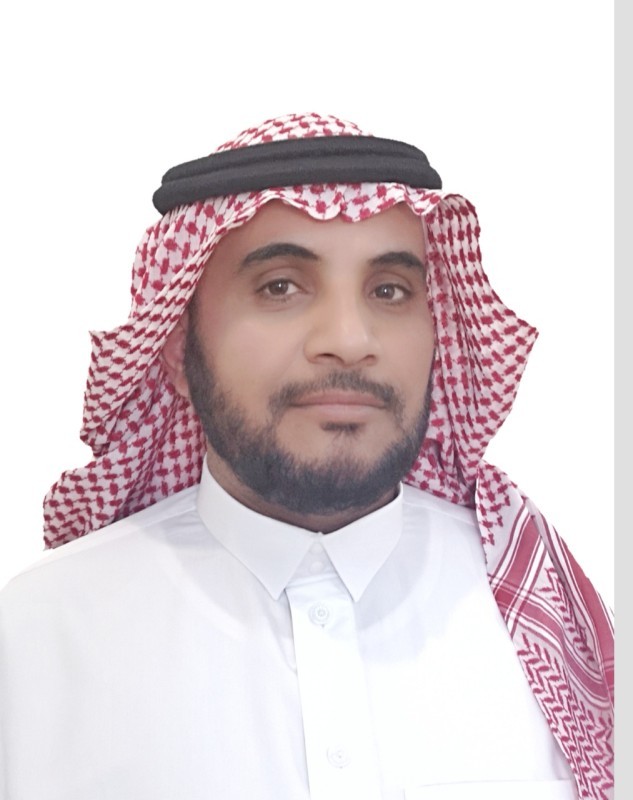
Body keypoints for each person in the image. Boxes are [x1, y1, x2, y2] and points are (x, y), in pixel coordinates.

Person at [0, 113, 613, 800]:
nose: (349, 339)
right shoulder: (35, 635)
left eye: (389, 291)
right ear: (176, 349)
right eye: (280, 287)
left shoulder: (544, 616)